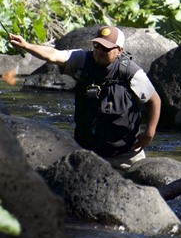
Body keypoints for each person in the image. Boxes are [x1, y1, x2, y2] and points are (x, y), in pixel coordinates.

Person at [9, 26, 161, 170]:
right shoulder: (81, 60)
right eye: (97, 46)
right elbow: (53, 54)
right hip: (87, 152)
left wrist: (149, 133)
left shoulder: (131, 72)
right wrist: (26, 46)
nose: (99, 51)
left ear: (119, 51)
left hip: (126, 156)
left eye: (106, 48)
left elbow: (154, 100)